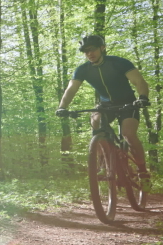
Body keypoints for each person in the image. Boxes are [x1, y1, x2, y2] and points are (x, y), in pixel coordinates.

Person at [56, 35, 151, 178]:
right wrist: (62, 107)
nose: (89, 54)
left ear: (102, 48)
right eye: (85, 51)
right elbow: (71, 90)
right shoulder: (83, 69)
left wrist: (143, 97)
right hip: (106, 104)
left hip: (128, 103)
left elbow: (139, 81)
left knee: (128, 134)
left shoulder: (119, 63)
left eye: (92, 49)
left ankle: (142, 171)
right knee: (96, 123)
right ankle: (104, 164)